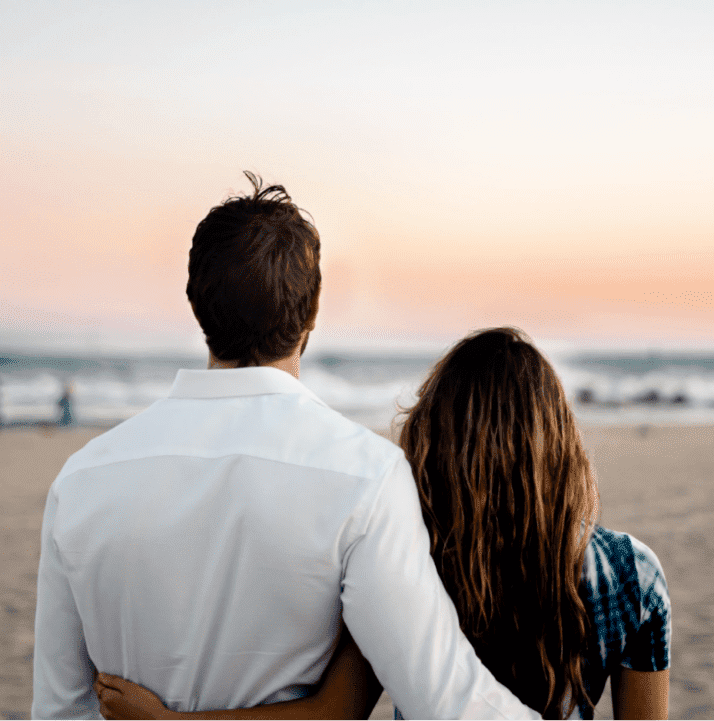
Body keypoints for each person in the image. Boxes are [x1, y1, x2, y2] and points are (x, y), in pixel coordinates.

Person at [32, 175, 541, 721]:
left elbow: (61, 710)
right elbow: (446, 699)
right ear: (312, 312)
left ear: (196, 303)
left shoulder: (84, 478)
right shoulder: (364, 475)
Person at [95, 328, 670, 721]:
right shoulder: (634, 574)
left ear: (437, 441)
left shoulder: (407, 556)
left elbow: (334, 713)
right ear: (559, 444)